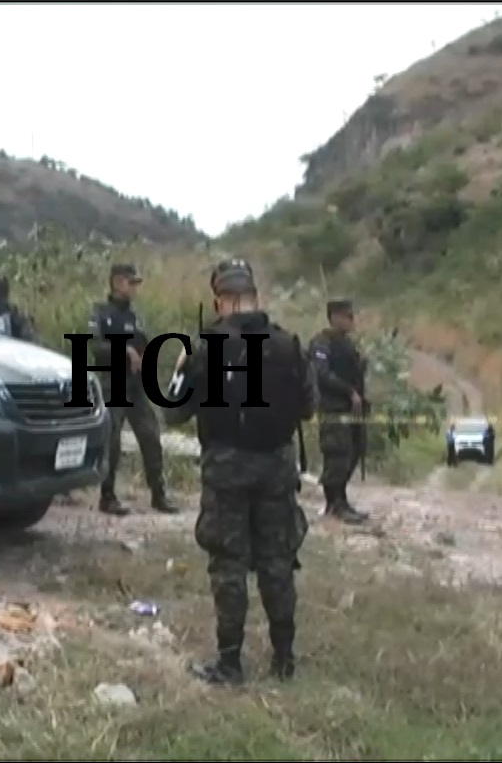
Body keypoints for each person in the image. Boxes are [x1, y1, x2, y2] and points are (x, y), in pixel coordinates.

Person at [162, 258, 316, 685]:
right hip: (277, 468)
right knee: (277, 560)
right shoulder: (289, 345)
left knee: (229, 565)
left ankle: (230, 663)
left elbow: (173, 413)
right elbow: (308, 406)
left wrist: (179, 370)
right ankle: (284, 657)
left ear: (219, 300)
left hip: (226, 470)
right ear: (254, 296)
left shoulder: (204, 349)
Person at [88, 263, 175, 516]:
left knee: (150, 435)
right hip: (113, 383)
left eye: (136, 283)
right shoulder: (100, 312)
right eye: (130, 282)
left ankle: (158, 495)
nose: (135, 288)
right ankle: (107, 496)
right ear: (117, 282)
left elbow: (144, 343)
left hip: (136, 385)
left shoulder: (135, 316)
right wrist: (124, 351)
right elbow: (96, 347)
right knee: (112, 441)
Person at [307, 299, 370, 524]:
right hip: (333, 407)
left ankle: (341, 500)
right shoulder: (322, 343)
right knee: (337, 454)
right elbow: (322, 373)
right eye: (347, 316)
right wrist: (348, 391)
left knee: (353, 451)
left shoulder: (347, 344)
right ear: (334, 317)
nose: (351, 321)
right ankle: (333, 503)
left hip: (351, 409)